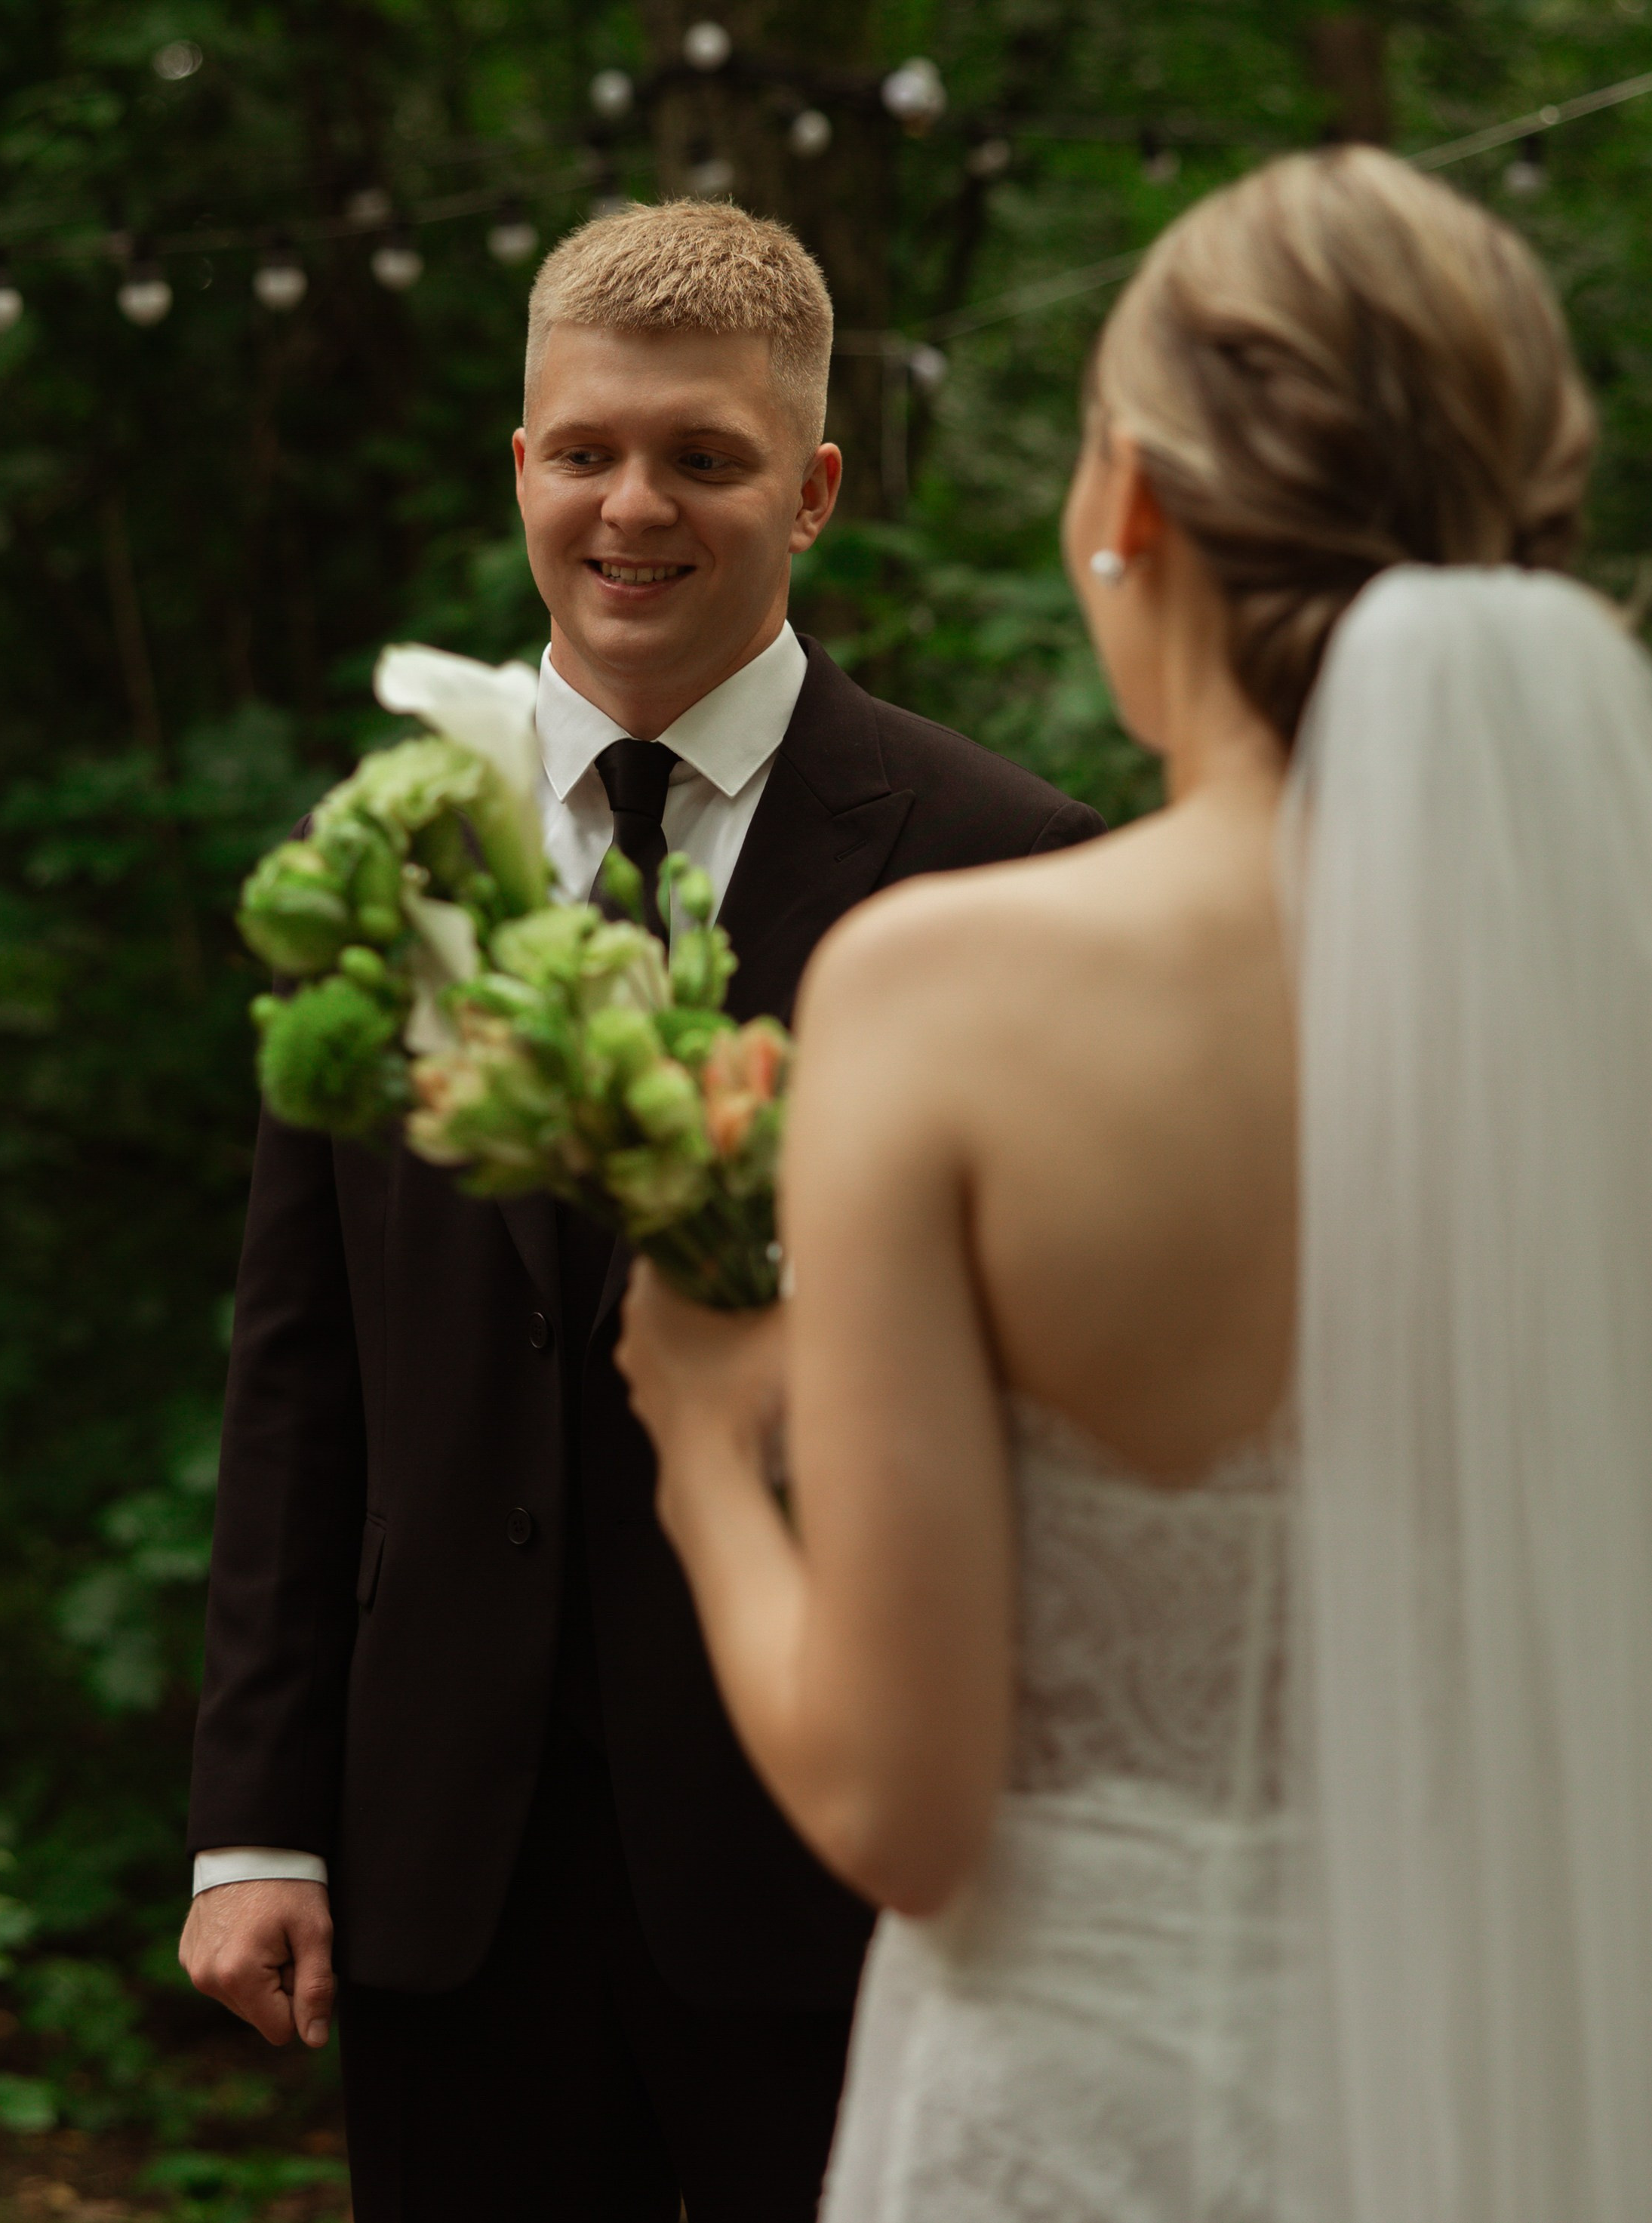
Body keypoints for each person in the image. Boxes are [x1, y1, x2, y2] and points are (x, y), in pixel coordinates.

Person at [619, 146, 1652, 2220]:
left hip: (1077, 2126)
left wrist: (707, 1440)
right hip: (1532, 2090)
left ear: (1138, 508)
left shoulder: (952, 992)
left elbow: (900, 1810)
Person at [176, 199, 1100, 2222]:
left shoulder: (1002, 868)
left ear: (815, 490)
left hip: (844, 1861)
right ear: (521, 464)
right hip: (450, 1865)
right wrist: (256, 1823)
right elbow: (302, 1373)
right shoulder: (380, 861)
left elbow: (1060, 1408)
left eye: (703, 457)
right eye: (585, 450)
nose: (633, 507)